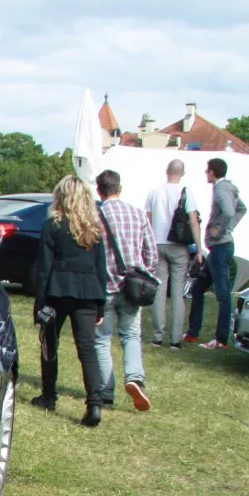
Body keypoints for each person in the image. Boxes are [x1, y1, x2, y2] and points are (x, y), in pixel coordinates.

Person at [32, 175, 109, 427]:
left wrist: (40, 303)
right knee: (87, 350)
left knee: (49, 345)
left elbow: (44, 268)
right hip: (88, 293)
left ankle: (49, 396)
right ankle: (94, 404)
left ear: (60, 197)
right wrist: (101, 304)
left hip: (57, 291)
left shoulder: (52, 226)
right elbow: (101, 268)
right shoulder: (93, 229)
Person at [94, 170, 158, 411]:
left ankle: (105, 392)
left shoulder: (96, 216)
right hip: (132, 286)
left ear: (99, 191)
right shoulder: (138, 214)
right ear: (120, 188)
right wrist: (143, 273)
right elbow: (151, 253)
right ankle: (134, 377)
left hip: (105, 286)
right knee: (131, 335)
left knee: (101, 340)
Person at [187, 157, 247, 349]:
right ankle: (192, 333)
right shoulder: (229, 188)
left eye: (207, 170)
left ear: (212, 171)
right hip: (219, 248)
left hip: (221, 247)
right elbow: (241, 209)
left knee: (222, 294)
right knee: (198, 288)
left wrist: (220, 230)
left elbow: (229, 212)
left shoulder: (221, 189)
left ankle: (221, 339)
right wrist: (229, 228)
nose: (206, 174)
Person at [144, 159, 203, 349]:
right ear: (182, 173)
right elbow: (193, 221)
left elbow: (148, 218)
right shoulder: (186, 192)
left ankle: (157, 336)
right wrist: (200, 249)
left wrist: (148, 243)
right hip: (178, 246)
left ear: (166, 171)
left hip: (158, 244)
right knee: (178, 293)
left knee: (159, 291)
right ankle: (175, 339)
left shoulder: (154, 192)